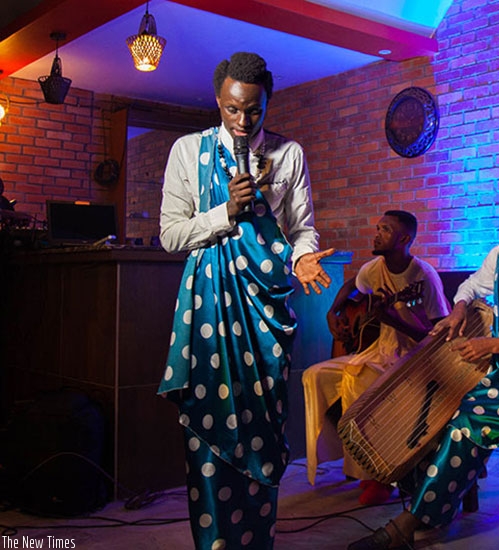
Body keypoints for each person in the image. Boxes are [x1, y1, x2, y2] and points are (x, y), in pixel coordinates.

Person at [156, 52, 335, 550]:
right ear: (219, 101)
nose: (242, 121)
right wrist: (223, 213)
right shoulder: (187, 151)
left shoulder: (288, 154)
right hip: (209, 306)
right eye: (232, 109)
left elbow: (302, 228)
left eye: (253, 111)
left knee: (261, 427)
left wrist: (302, 259)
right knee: (210, 429)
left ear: (266, 105)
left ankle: (258, 541)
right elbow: (170, 235)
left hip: (265, 311)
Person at [348, 199, 499, 549]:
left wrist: (495, 346)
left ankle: (409, 522)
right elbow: (472, 286)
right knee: (444, 409)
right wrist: (458, 309)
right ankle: (439, 502)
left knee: (467, 421)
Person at [302, 210, 450, 505]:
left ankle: (378, 476)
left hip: (414, 359)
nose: (376, 233)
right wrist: (334, 311)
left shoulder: (424, 276)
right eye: (378, 227)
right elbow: (352, 284)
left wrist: (394, 320)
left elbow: (438, 337)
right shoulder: (375, 268)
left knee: (360, 380)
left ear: (404, 239)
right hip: (379, 351)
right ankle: (345, 457)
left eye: (385, 229)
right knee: (314, 375)